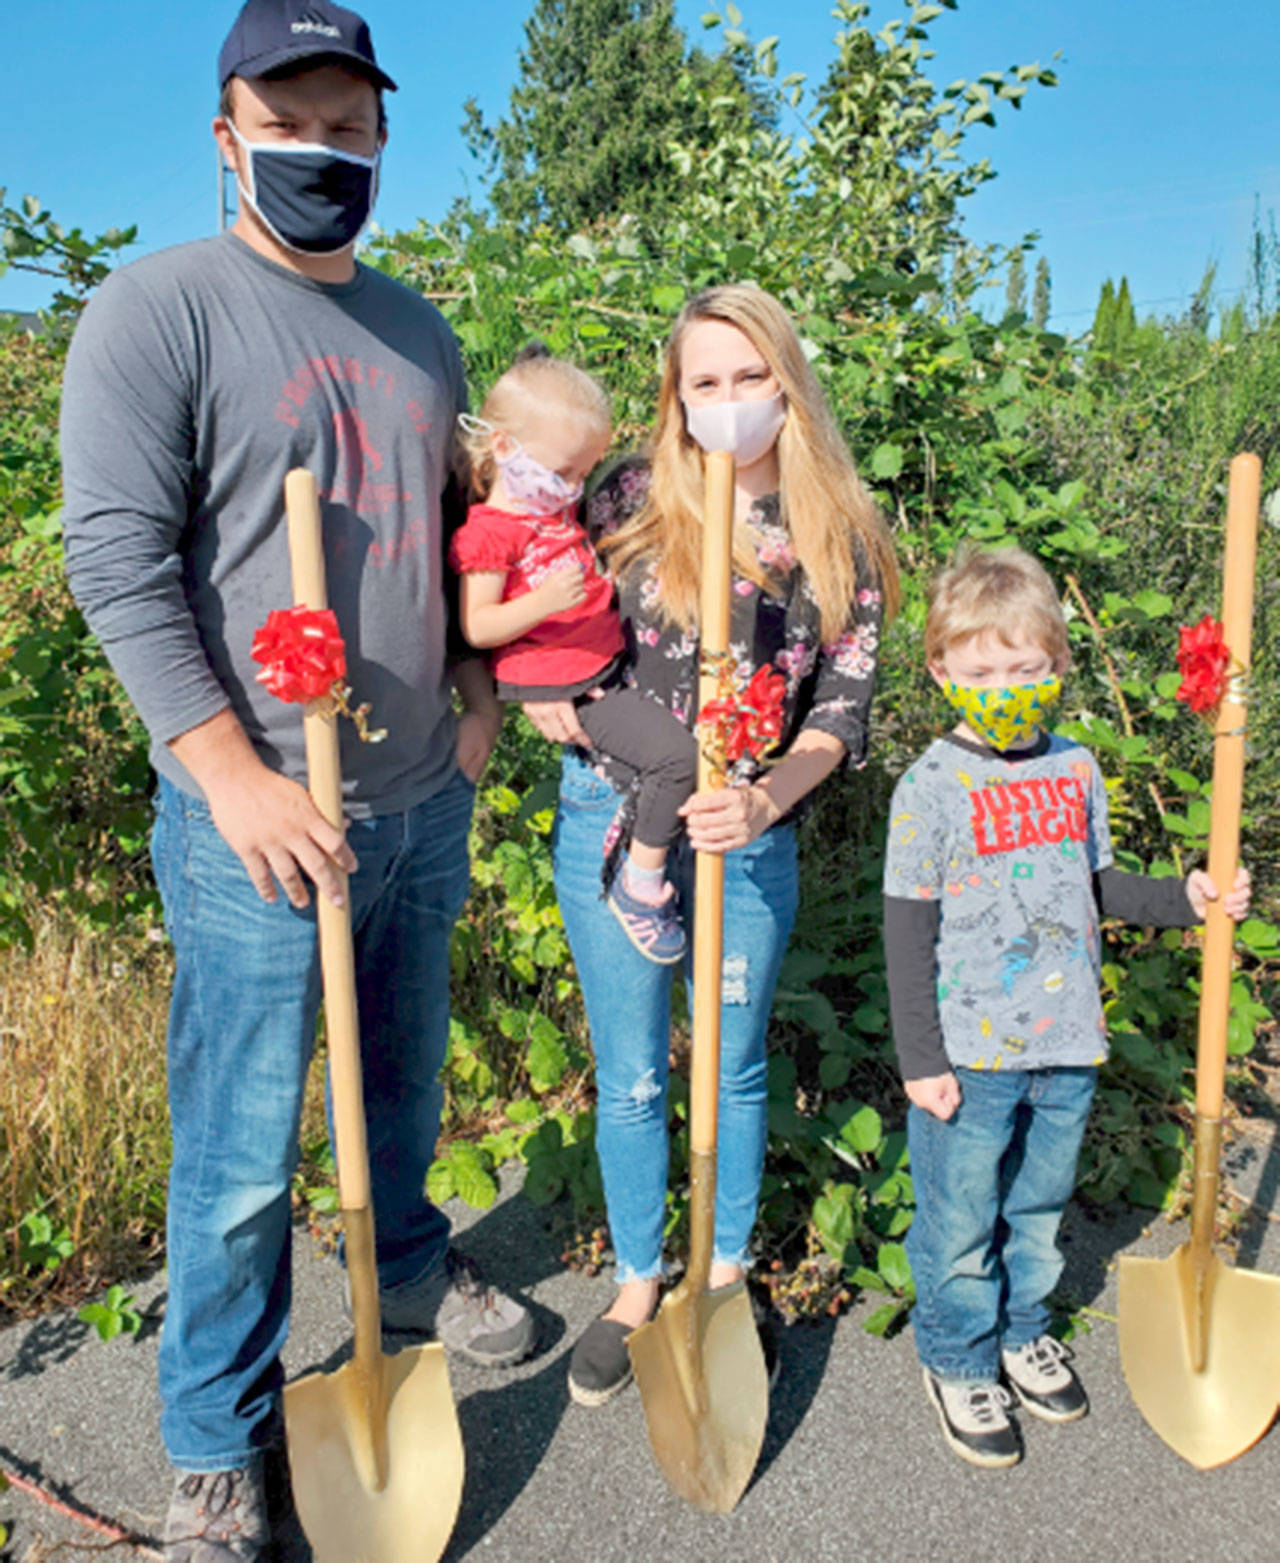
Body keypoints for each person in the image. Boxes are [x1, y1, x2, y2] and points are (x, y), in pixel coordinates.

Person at [59, 3, 532, 1557]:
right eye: (289, 123)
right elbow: (117, 565)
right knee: (244, 1139)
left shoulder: (418, 331)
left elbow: (468, 545)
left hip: (416, 797)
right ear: (226, 138)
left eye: (347, 124)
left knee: (402, 1080)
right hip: (255, 813)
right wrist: (226, 775)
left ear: (384, 139)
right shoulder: (159, 309)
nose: (321, 152)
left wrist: (474, 692)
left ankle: (404, 1264)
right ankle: (215, 1434)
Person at [522, 283, 900, 1406]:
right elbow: (541, 591)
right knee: (633, 1074)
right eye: (704, 383)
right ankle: (639, 1281)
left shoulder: (840, 533)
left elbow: (841, 710)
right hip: (614, 818)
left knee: (732, 1067)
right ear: (673, 398)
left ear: (787, 383)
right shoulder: (628, 496)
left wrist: (767, 799)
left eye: (751, 379)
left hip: (747, 831)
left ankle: (720, 1273)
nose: (728, 402)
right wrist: (535, 674)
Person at [883, 545, 1251, 1470]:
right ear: (941, 671)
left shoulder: (1077, 768)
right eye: (980, 670)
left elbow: (1095, 886)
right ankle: (959, 1355)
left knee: (1037, 1207)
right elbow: (906, 933)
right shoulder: (930, 787)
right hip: (970, 1052)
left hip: (1066, 1043)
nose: (1004, 685)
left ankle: (1020, 1330)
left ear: (1055, 666)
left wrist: (1188, 897)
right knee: (962, 1214)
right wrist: (919, 1057)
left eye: (1026, 667)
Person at [450, 347, 698, 964]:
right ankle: (640, 884)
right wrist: (545, 602)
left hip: (599, 667)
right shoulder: (489, 532)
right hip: (572, 683)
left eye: (585, 471)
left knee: (662, 755)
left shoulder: (550, 509)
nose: (575, 487)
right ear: (505, 448)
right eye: (565, 471)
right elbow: (478, 626)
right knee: (675, 761)